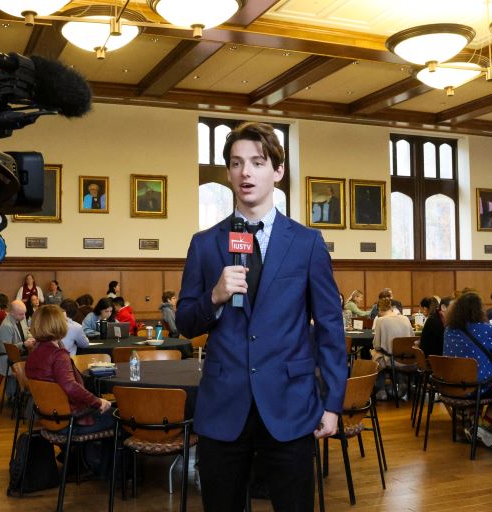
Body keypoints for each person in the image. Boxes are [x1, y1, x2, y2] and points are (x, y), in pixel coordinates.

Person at [175, 121, 346, 511]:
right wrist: (215, 297)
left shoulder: (307, 242)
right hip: (223, 407)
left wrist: (333, 403)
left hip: (290, 404)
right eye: (236, 164)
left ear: (278, 172)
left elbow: (331, 328)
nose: (245, 172)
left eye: (256, 162)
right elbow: (185, 322)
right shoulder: (204, 244)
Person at [25, 305, 113, 476]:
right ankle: (110, 473)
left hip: (49, 417)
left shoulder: (34, 354)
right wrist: (97, 401)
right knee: (119, 416)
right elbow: (70, 386)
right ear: (59, 325)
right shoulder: (58, 356)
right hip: (70, 421)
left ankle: (84, 462)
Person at [444, 291, 492, 447]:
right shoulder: (485, 328)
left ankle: (474, 426)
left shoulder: (449, 329)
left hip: (451, 385)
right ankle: (481, 429)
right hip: (477, 387)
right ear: (478, 309)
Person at [371, 297, 415, 399]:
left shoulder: (380, 320)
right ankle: (403, 383)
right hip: (409, 359)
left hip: (392, 360)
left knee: (377, 355)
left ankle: (380, 390)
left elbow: (377, 345)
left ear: (380, 310)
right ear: (391, 308)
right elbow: (412, 338)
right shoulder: (405, 318)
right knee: (384, 354)